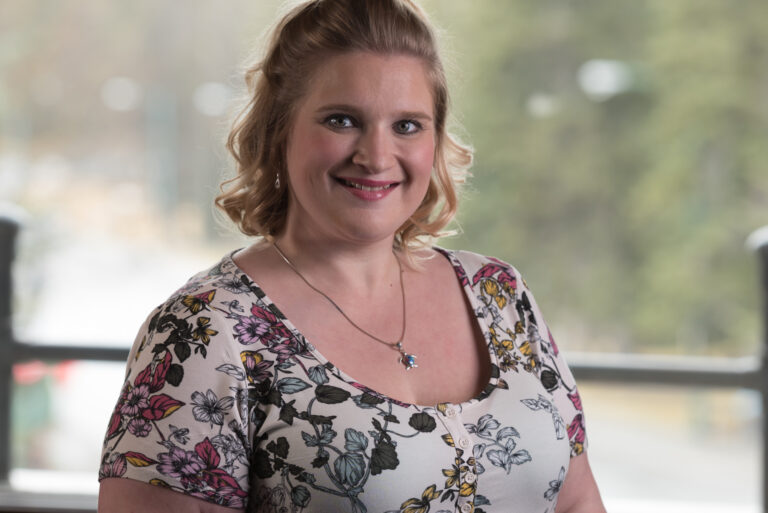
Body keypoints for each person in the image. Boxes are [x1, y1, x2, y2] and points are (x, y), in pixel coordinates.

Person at [97, 1, 606, 511]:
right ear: (280, 131)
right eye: (342, 120)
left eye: (407, 125)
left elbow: (578, 502)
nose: (377, 156)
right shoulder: (203, 333)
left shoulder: (500, 292)